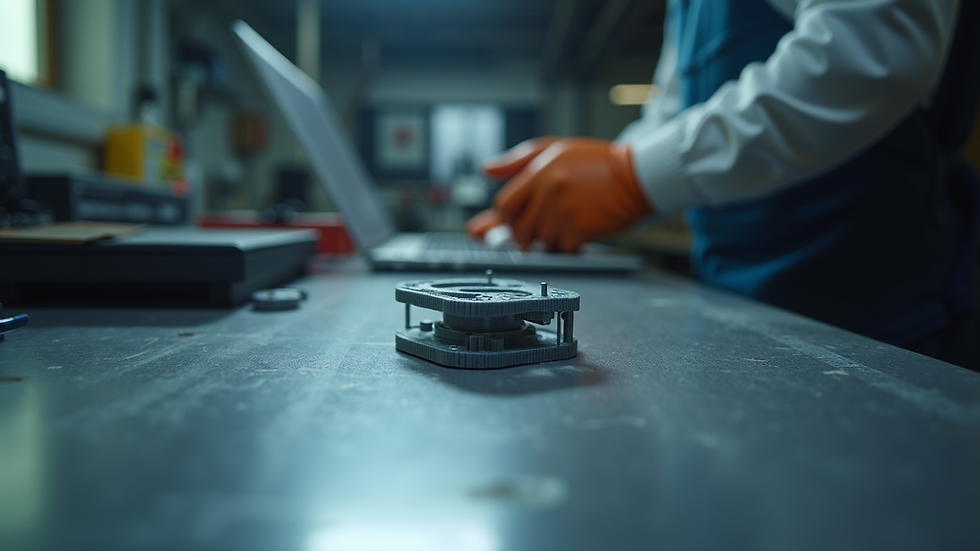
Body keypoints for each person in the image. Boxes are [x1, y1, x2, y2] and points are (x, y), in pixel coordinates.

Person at [467, 0, 980, 370]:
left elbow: (871, 50)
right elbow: (672, 118)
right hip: (740, 310)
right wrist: (590, 182)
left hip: (882, 316)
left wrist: (629, 176)